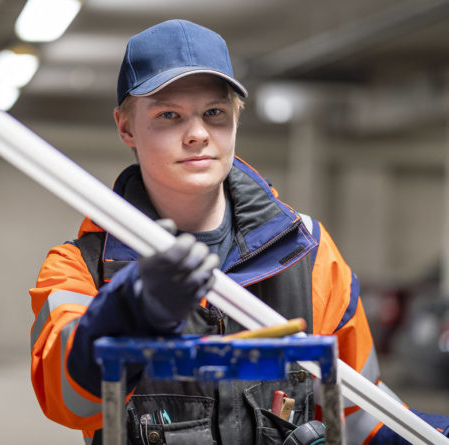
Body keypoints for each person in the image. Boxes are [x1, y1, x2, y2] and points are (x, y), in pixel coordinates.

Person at [29, 19, 449, 445]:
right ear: (125, 127)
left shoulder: (306, 253)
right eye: (168, 115)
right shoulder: (82, 267)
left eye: (214, 113)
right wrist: (128, 312)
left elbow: (360, 411)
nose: (197, 134)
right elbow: (68, 399)